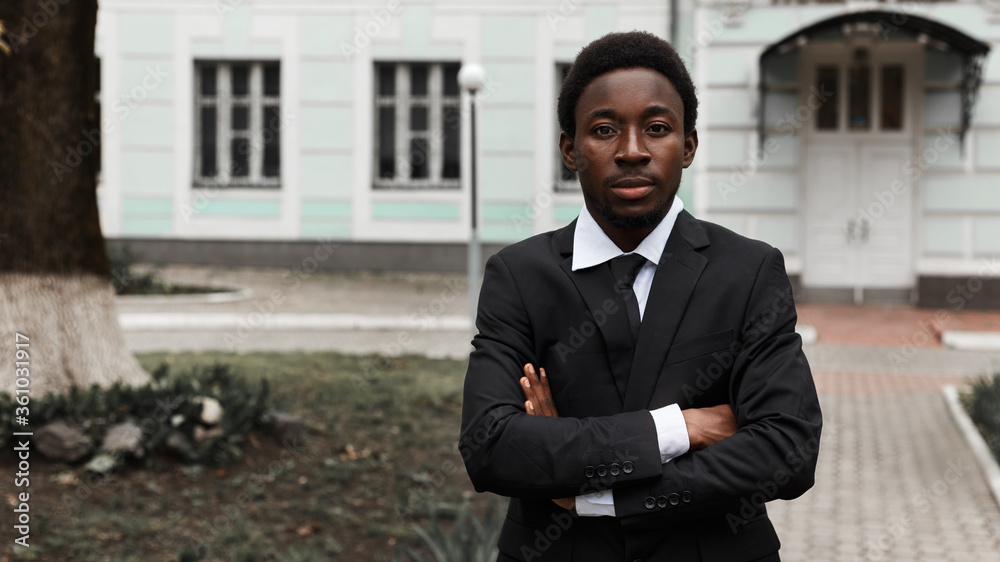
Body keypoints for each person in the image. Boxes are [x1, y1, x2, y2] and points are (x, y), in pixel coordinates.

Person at [459, 30, 822, 562]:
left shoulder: (747, 271)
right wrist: (684, 426)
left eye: (656, 128)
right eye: (604, 130)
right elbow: (490, 446)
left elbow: (787, 452)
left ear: (688, 145)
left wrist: (597, 497)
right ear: (570, 148)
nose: (631, 151)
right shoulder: (519, 276)